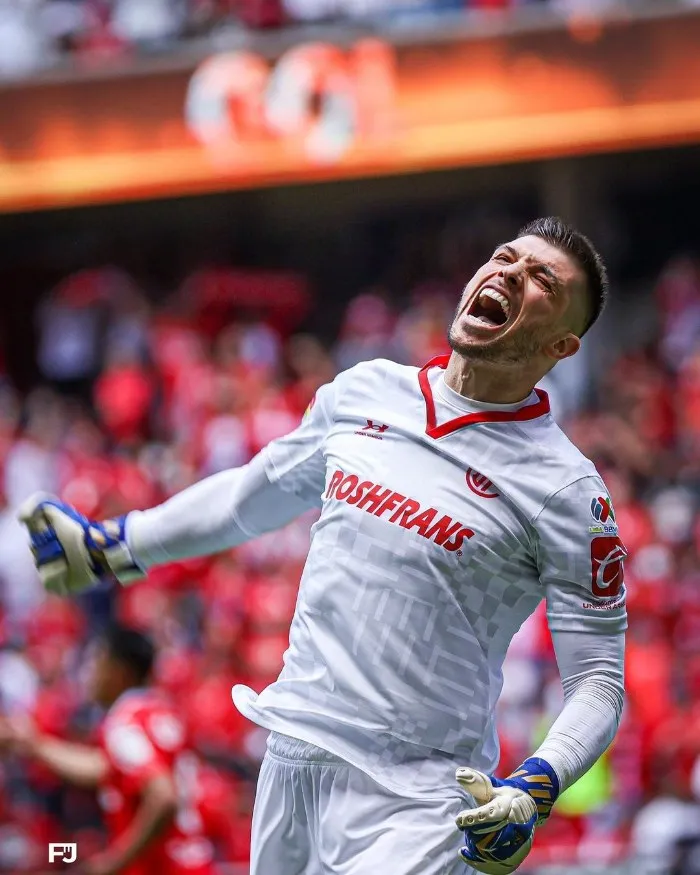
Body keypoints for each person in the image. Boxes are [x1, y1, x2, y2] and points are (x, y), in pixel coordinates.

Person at [20, 217, 627, 875]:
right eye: (507, 256)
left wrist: (537, 784)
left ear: (563, 345)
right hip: (292, 758)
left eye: (542, 279)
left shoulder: (566, 490)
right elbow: (247, 500)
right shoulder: (366, 392)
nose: (511, 271)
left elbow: (598, 678)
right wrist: (116, 544)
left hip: (416, 796)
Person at [0, 624, 215, 875]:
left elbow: (163, 796)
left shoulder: (124, 722)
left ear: (119, 671)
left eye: (96, 661)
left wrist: (113, 863)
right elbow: (105, 769)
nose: (89, 672)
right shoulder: (157, 710)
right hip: (195, 864)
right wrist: (32, 744)